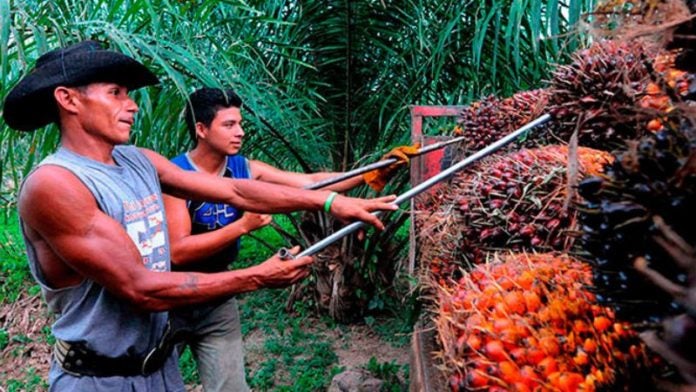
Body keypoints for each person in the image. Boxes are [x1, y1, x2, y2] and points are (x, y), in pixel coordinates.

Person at [1, 40, 398, 392]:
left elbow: (235, 189)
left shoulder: (138, 161)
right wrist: (255, 276)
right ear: (69, 99)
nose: (132, 105)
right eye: (116, 93)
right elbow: (141, 288)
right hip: (98, 379)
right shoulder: (55, 184)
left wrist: (331, 203)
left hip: (158, 366)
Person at [163, 87, 418, 391]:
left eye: (240, 124)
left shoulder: (245, 169)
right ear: (201, 130)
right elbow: (179, 252)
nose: (240, 132)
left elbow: (313, 183)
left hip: (219, 297)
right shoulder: (175, 175)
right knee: (156, 383)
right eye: (229, 125)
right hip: (173, 298)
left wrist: (376, 170)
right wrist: (242, 226)